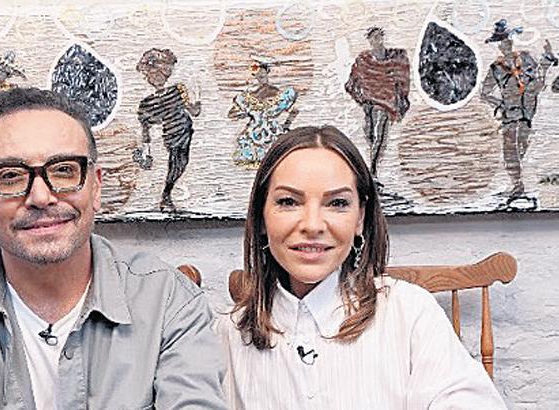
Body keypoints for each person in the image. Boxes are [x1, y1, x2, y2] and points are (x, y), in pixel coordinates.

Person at [0, 87, 226, 409]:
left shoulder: (169, 301)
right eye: (11, 176)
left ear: (95, 187)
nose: (41, 197)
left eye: (64, 170)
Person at [215, 126, 506, 409]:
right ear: (261, 217)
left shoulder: (409, 312)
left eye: (337, 203)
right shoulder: (227, 334)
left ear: (360, 218)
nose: (313, 225)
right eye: (289, 201)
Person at [481, 19, 557, 200]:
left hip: (526, 113)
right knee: (510, 151)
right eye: (501, 41)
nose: (505, 44)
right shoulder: (496, 68)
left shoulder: (526, 58)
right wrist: (500, 104)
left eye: (507, 40)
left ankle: (520, 185)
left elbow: (538, 82)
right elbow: (484, 93)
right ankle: (517, 185)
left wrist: (546, 62)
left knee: (521, 148)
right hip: (510, 115)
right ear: (499, 45)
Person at [134, 47, 200, 211]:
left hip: (185, 130)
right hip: (172, 135)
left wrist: (197, 101)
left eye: (159, 73)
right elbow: (146, 128)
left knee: (181, 163)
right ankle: (166, 196)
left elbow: (193, 111)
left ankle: (167, 195)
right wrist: (146, 150)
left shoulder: (177, 90)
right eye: (151, 74)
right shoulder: (148, 103)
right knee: (177, 163)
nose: (155, 77)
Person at [345, 26, 410, 180]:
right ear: (369, 40)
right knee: (371, 136)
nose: (377, 40)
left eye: (379, 36)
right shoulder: (363, 60)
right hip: (369, 104)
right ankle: (372, 169)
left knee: (378, 135)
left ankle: (372, 172)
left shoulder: (395, 59)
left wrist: (401, 100)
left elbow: (402, 82)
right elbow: (350, 84)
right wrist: (361, 99)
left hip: (386, 104)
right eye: (373, 38)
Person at [229, 55, 298, 166]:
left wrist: (286, 125)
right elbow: (232, 114)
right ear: (254, 74)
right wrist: (242, 114)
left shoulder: (279, 94)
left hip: (273, 133)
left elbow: (294, 111)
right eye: (257, 70)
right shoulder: (247, 97)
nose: (260, 73)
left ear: (267, 71)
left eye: (263, 69)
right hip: (253, 136)